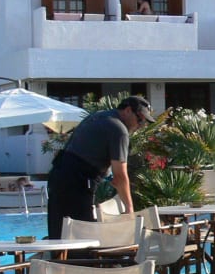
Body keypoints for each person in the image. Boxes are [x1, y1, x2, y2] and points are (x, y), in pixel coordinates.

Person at [46, 95, 153, 239]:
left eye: (144, 122)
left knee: (59, 234)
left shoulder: (98, 116)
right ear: (128, 110)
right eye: (140, 119)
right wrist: (129, 210)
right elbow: (120, 176)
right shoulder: (119, 129)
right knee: (83, 238)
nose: (140, 125)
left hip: (58, 176)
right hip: (77, 183)